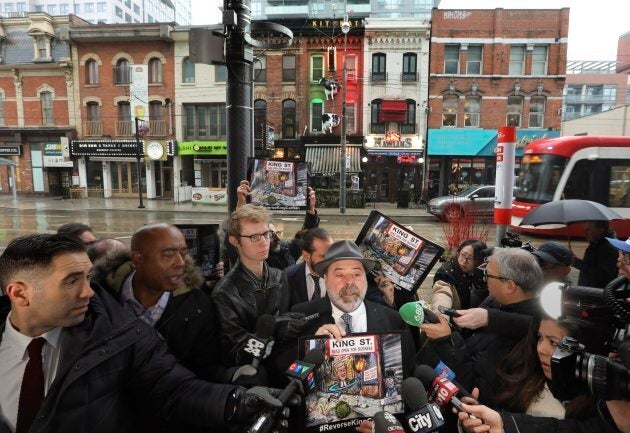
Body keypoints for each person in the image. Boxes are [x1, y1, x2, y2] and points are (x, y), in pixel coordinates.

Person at [0, 233, 289, 433]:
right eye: (72, 281)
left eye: (87, 277)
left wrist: (237, 401)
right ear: (20, 293)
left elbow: (174, 388)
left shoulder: (117, 331)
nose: (88, 291)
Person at [89, 223, 225, 383]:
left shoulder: (198, 305)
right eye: (168, 254)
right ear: (138, 259)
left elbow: (204, 369)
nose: (180, 263)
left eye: (183, 253)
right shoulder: (98, 296)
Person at [420, 248, 544, 406]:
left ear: (510, 286)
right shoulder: (498, 305)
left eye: (488, 275)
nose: (484, 280)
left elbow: (473, 387)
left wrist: (446, 341)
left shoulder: (525, 338)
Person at [291, 240, 416, 378]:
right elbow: (280, 377)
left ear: (365, 279)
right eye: (340, 275)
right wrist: (313, 348)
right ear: (325, 279)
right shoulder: (302, 317)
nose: (349, 282)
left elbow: (409, 374)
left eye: (357, 274)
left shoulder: (394, 321)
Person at [212, 204, 305, 378]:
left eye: (266, 234)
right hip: (257, 375)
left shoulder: (280, 277)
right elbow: (236, 354)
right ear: (235, 241)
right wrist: (273, 331)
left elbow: (294, 315)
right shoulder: (224, 295)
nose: (264, 241)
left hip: (287, 363)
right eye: (254, 237)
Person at [494, 315, 596, 419]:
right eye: (540, 337)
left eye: (554, 342)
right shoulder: (528, 378)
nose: (540, 349)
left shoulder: (600, 408)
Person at [234, 180, 320, 270]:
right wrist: (241, 203)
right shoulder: (253, 254)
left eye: (277, 233)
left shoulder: (286, 249)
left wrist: (311, 210)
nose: (277, 239)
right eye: (269, 234)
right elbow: (239, 232)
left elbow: (307, 236)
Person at [430, 239, 488, 313]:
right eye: (462, 254)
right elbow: (442, 293)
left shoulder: (485, 273)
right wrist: (441, 315)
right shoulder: (446, 273)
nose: (464, 261)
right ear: (458, 253)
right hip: (454, 320)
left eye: (470, 258)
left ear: (479, 261)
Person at [284, 227, 334, 306]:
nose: (330, 260)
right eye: (323, 256)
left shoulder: (342, 277)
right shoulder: (287, 277)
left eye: (332, 254)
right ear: (306, 256)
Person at [574, 221, 618, 288]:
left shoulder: (609, 248)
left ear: (601, 230)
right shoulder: (597, 243)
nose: (585, 233)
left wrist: (575, 262)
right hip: (590, 291)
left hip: (597, 294)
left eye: (588, 230)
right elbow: (591, 266)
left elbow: (601, 276)